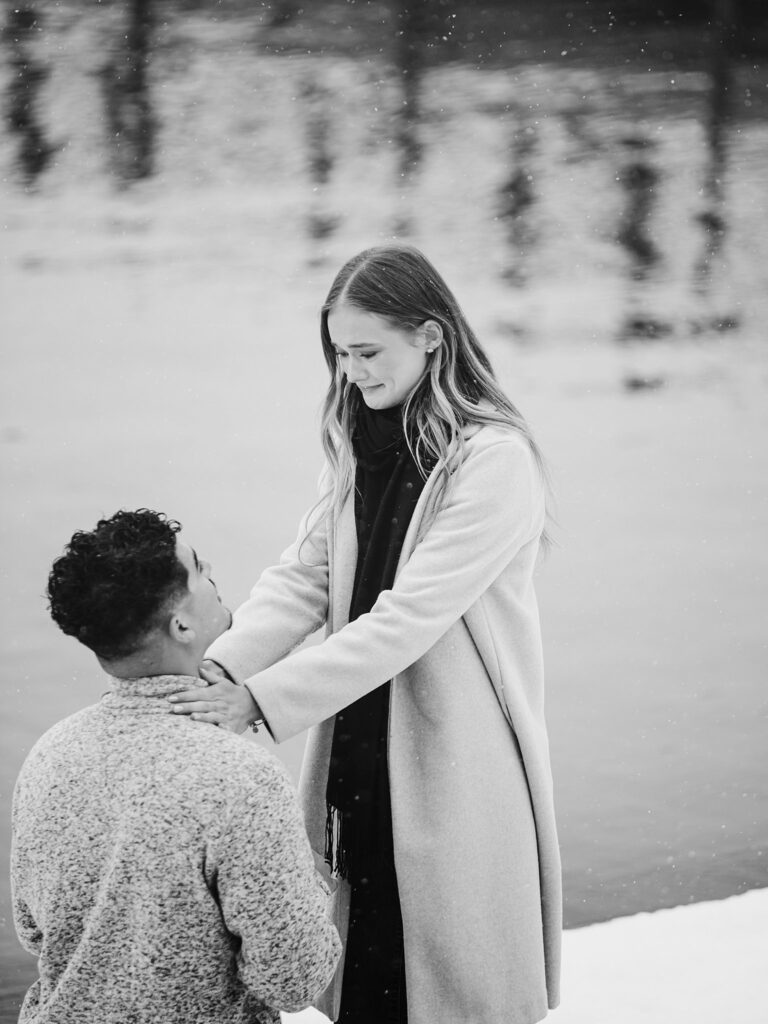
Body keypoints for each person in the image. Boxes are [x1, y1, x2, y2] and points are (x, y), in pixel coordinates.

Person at [170, 245, 562, 1024]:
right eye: (341, 354)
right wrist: (217, 671)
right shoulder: (360, 439)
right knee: (367, 977)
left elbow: (406, 619)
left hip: (451, 754)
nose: (352, 372)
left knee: (451, 983)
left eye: (368, 352)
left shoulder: (495, 461)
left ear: (430, 336)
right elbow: (304, 576)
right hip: (359, 738)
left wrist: (260, 701)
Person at [11, 509, 341, 1024]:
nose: (212, 571)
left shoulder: (50, 754)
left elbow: (33, 931)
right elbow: (294, 979)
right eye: (199, 569)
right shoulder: (238, 776)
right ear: (181, 624)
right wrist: (310, 881)